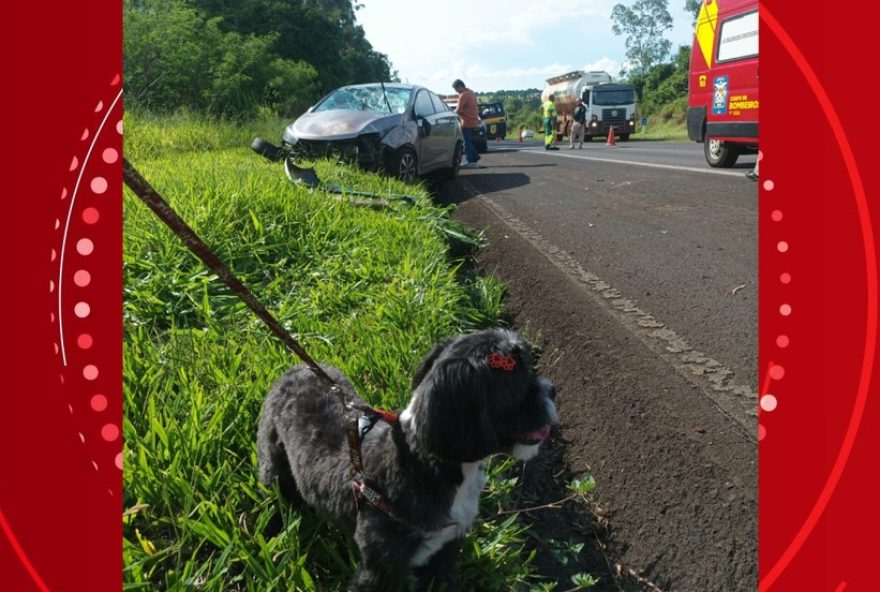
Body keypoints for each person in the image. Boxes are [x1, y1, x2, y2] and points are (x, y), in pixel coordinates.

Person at [452, 79, 481, 168]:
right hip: (474, 121)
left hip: (467, 122)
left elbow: (459, 109)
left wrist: (451, 114)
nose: (456, 92)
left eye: (456, 89)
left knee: (466, 142)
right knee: (469, 141)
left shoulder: (463, 95)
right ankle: (475, 156)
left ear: (460, 86)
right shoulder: (471, 93)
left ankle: (471, 160)